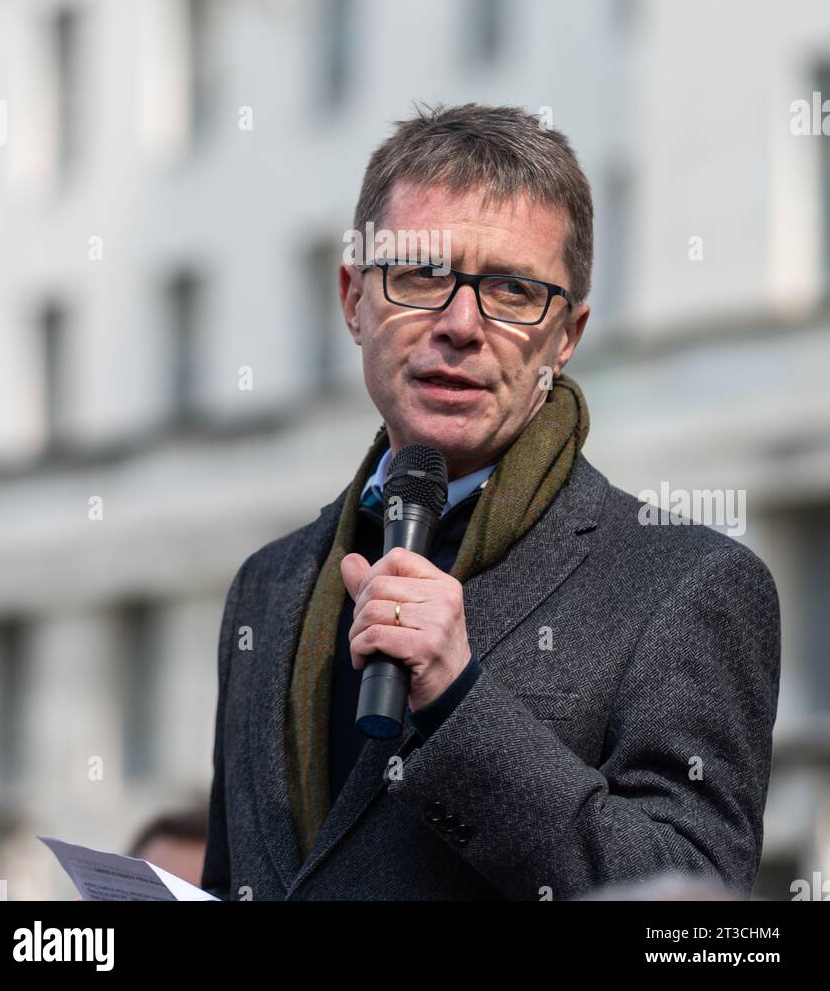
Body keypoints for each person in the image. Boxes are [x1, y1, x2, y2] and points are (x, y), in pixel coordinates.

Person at [200, 102, 781, 902]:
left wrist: (458, 697)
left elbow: (691, 912)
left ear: (566, 335)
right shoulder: (268, 585)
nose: (460, 325)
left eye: (512, 291)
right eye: (421, 276)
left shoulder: (684, 585)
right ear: (352, 299)